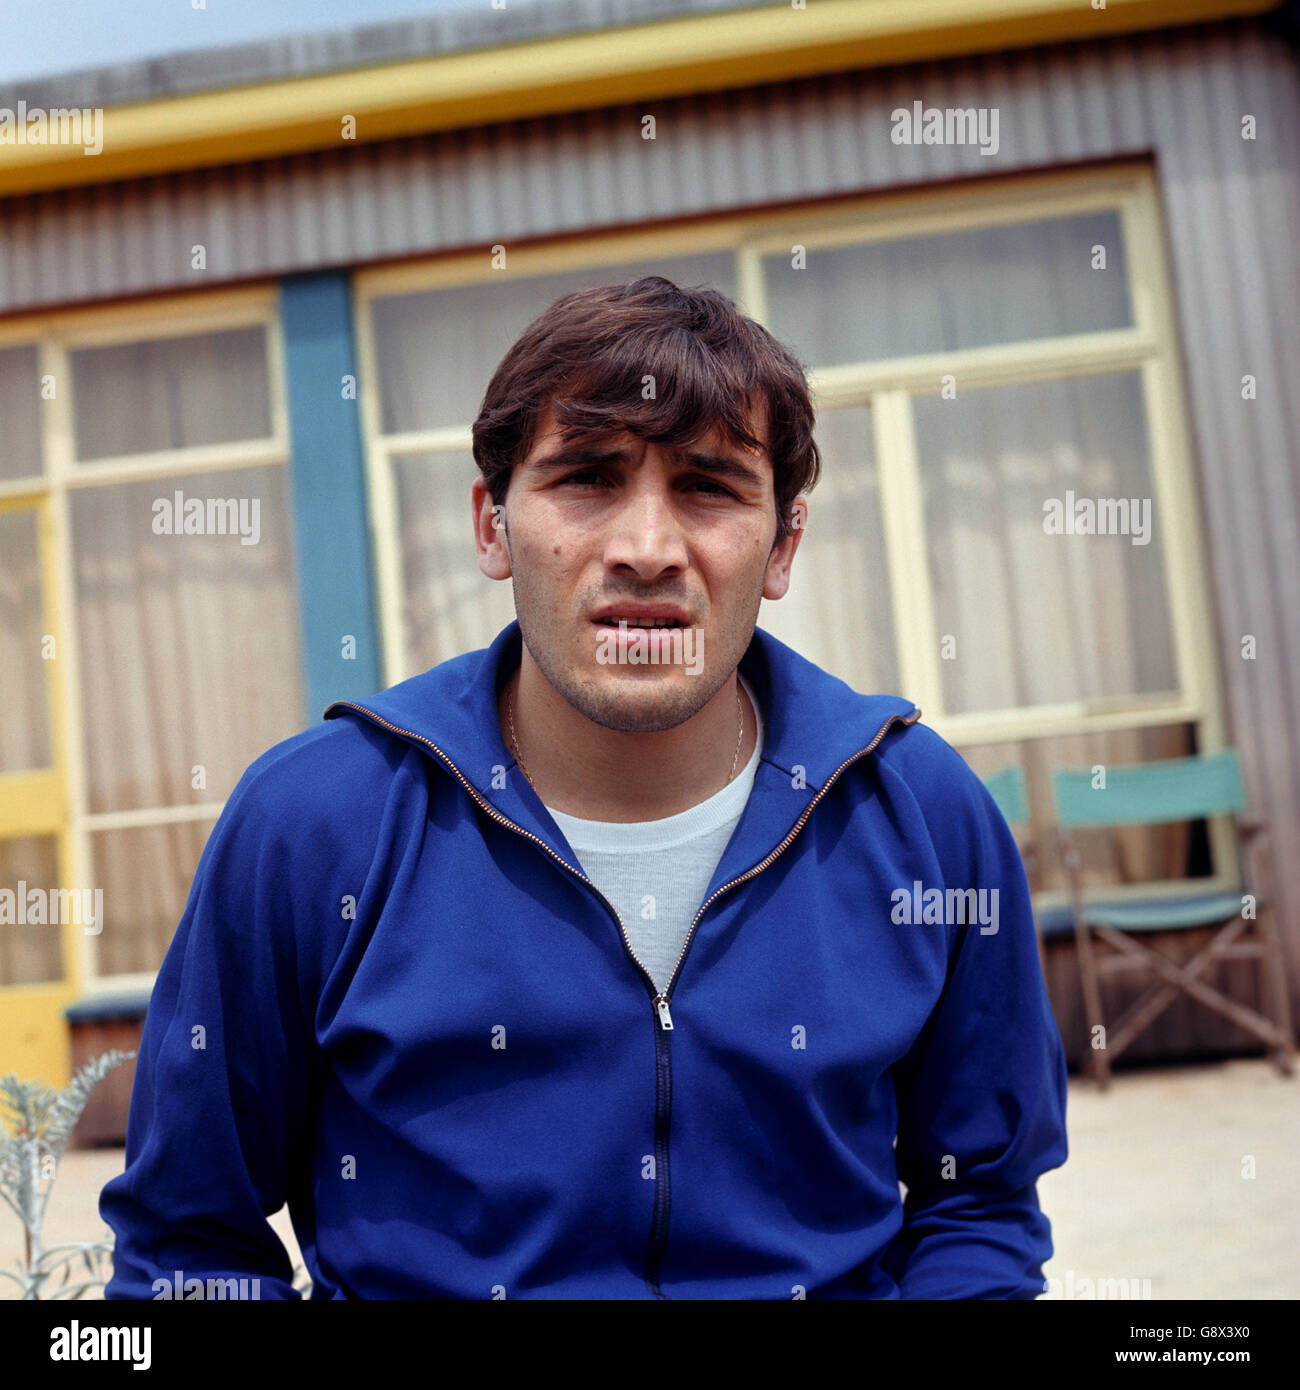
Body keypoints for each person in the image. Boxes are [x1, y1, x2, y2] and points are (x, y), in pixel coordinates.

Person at [101, 276, 1067, 1300]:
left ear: (781, 543)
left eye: (707, 487)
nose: (645, 548)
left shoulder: (922, 813)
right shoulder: (313, 825)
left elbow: (979, 1207)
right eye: (587, 479)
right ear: (491, 526)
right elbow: (187, 1246)